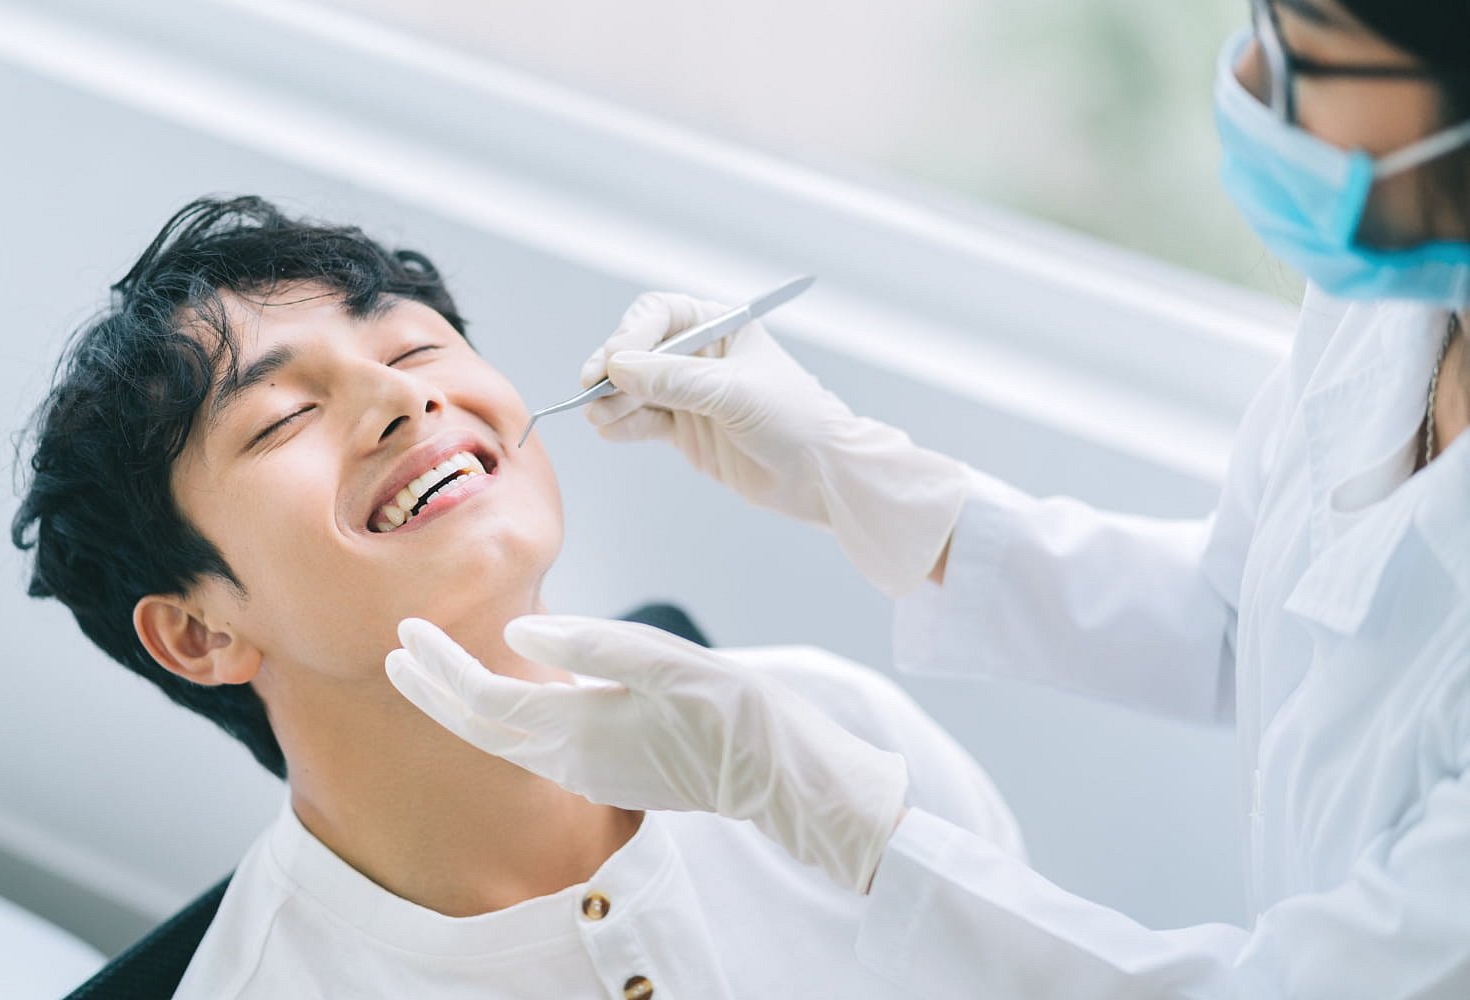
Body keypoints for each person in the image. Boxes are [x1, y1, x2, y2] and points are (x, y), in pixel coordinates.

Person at [384, 1, 1470, 996]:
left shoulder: (843, 718)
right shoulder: (1401, 290)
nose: (1244, 70)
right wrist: (867, 482)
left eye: (1308, 39)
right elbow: (1252, 618)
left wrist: (839, 817)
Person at [10, 195, 1023, 998]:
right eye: (286, 416)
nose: (405, 398)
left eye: (413, 350)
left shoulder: (838, 732)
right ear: (195, 631)